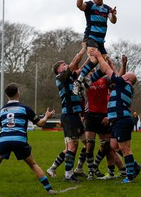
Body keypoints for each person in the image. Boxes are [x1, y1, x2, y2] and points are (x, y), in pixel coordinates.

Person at [0, 83, 56, 195]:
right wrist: (47, 116)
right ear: (18, 92)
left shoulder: (2, 110)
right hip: (19, 140)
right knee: (32, 164)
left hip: (4, 140)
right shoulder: (25, 108)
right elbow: (40, 124)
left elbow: (2, 125)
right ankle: (49, 189)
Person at [90, 49, 141, 183]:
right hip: (116, 120)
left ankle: (130, 176)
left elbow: (108, 71)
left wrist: (99, 57)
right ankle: (134, 165)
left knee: (125, 149)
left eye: (125, 75)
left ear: (128, 79)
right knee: (113, 145)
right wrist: (120, 64)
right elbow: (117, 74)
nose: (122, 76)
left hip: (122, 120)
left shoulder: (123, 83)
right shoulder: (123, 84)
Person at [72, 0, 117, 95]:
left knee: (104, 67)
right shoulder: (90, 5)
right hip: (90, 38)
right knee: (94, 59)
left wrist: (113, 14)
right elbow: (79, 6)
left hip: (101, 42)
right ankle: (78, 81)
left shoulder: (107, 8)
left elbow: (113, 20)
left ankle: (87, 84)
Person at [52, 45, 87, 182]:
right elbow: (74, 64)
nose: (66, 66)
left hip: (75, 115)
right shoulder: (61, 77)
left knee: (86, 143)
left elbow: (80, 68)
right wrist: (83, 50)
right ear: (58, 70)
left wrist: (92, 58)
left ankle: (77, 169)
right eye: (63, 65)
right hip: (69, 116)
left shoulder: (68, 77)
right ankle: (68, 174)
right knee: (72, 146)